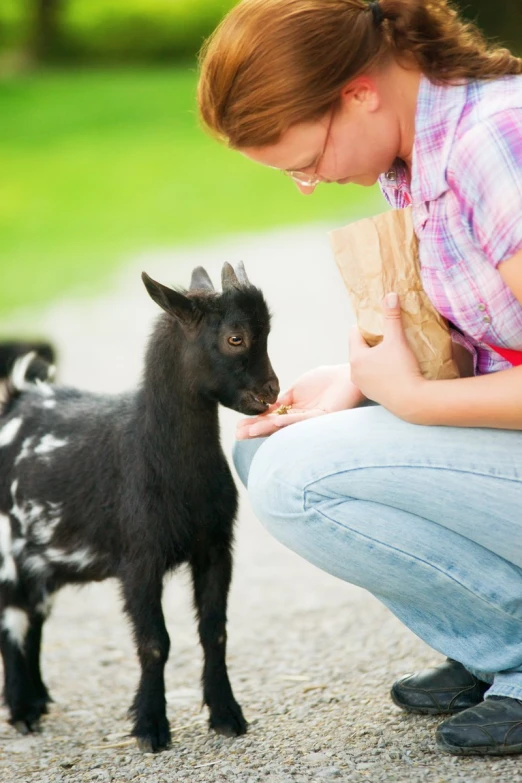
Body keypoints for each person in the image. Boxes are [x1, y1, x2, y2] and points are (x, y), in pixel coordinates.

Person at [197, 0, 522, 757]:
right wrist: (356, 380)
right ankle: (498, 644)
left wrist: (412, 398)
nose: (307, 185)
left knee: (297, 478)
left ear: (356, 92)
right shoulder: (414, 159)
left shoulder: (496, 143)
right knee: (264, 451)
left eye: (303, 161)